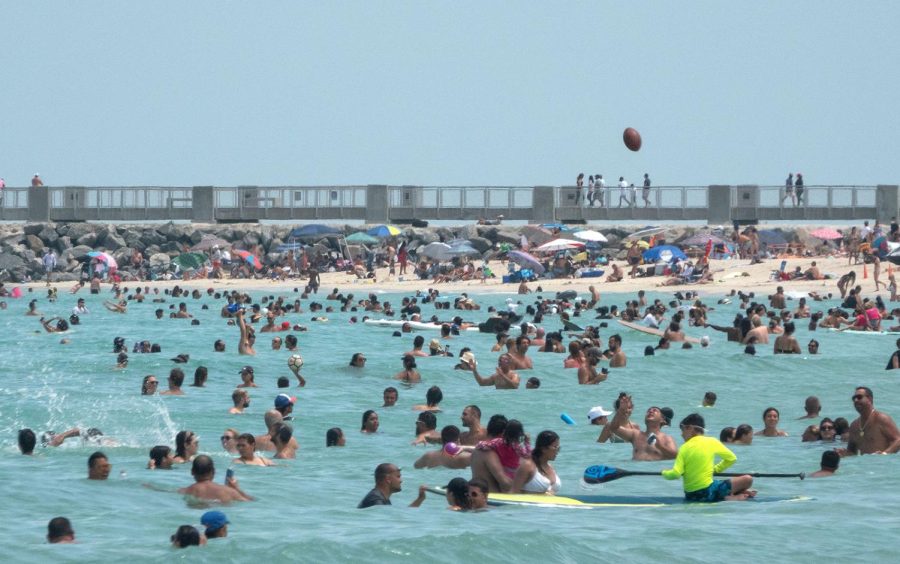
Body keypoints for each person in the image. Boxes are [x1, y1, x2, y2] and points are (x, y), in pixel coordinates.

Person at [661, 413, 755, 502]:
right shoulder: (712, 441)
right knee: (748, 479)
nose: (681, 434)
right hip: (709, 492)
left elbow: (676, 474)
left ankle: (731, 495)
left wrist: (664, 473)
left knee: (715, 484)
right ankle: (729, 497)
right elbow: (732, 458)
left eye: (683, 430)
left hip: (691, 496)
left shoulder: (683, 448)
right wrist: (716, 469)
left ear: (690, 428)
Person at [602, 395, 677, 460]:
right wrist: (621, 410)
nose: (650, 411)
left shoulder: (667, 438)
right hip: (635, 471)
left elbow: (676, 456)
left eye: (655, 410)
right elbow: (613, 428)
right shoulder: (635, 435)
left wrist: (660, 446)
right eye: (648, 411)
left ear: (662, 420)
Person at [837, 386, 900, 456]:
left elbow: (898, 440)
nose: (856, 400)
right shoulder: (854, 426)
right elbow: (852, 452)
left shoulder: (881, 418)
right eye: (854, 398)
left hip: (882, 464)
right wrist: (844, 454)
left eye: (859, 397)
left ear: (870, 399)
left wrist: (884, 454)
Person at [177, 455, 253, 502]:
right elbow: (250, 501)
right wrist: (236, 489)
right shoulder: (229, 492)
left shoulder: (184, 491)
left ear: (192, 472)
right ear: (213, 471)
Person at [357, 463, 425, 508]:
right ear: (388, 479)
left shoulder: (381, 498)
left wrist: (420, 499)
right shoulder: (376, 500)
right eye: (398, 477)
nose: (401, 481)